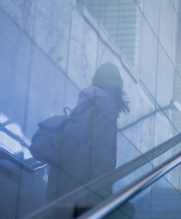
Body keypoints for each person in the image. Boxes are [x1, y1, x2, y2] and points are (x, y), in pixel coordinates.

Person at [46, 62, 129, 205]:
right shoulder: (106, 105)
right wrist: (101, 189)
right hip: (85, 191)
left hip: (65, 189)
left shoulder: (81, 107)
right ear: (118, 90)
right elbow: (101, 148)